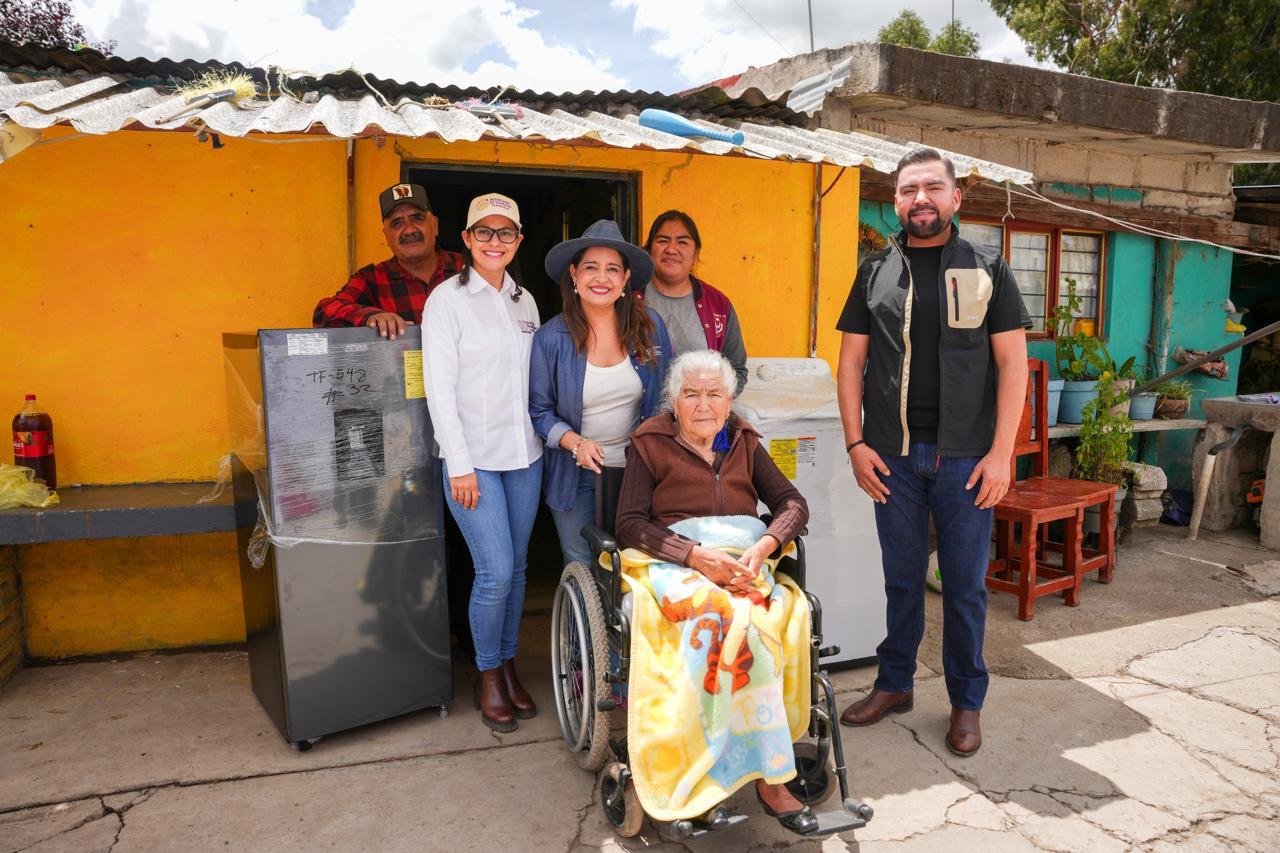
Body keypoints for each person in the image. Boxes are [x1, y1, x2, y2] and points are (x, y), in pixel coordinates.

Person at [835, 147, 1030, 758]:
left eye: (932, 188)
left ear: (955, 197)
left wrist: (1002, 455)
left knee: (966, 587)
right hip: (891, 456)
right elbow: (850, 364)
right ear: (895, 201)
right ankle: (895, 685)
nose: (920, 198)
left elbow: (1013, 364)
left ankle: (966, 703)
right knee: (900, 580)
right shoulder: (875, 270)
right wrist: (855, 444)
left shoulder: (986, 267)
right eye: (908, 189)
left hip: (967, 459)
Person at [615, 350, 817, 834]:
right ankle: (705, 769)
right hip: (677, 559)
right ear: (673, 402)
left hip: (743, 556)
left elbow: (793, 503)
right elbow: (628, 524)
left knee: (765, 622)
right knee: (719, 622)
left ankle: (769, 776)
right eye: (691, 394)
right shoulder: (649, 443)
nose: (703, 405)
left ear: (729, 402)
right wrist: (693, 556)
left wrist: (767, 542)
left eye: (714, 394)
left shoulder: (745, 441)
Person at [422, 192, 543, 734]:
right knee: (493, 572)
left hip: (525, 455)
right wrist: (458, 464)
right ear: (467, 240)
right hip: (472, 461)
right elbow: (438, 390)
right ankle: (487, 673)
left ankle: (509, 663)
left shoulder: (526, 302)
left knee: (517, 570)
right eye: (484, 232)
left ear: (518, 242)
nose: (495, 241)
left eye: (506, 232)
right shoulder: (445, 301)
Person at [530, 220, 673, 568]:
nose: (601, 278)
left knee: (634, 564)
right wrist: (575, 443)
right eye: (591, 267)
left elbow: (670, 392)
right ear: (574, 276)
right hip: (575, 472)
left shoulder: (649, 327)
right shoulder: (551, 338)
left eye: (612, 269)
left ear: (625, 280)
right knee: (581, 562)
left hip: (639, 469)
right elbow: (539, 411)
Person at [313, 182, 463, 338]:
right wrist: (368, 316)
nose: (409, 229)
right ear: (386, 235)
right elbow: (323, 314)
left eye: (417, 218)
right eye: (397, 223)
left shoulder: (468, 267)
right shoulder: (372, 280)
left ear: (435, 225)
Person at [639, 210, 748, 394]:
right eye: (663, 240)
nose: (671, 249)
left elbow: (737, 371)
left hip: (697, 418)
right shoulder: (628, 298)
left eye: (682, 242)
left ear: (695, 252)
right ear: (649, 249)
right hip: (639, 420)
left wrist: (711, 405)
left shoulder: (718, 305)